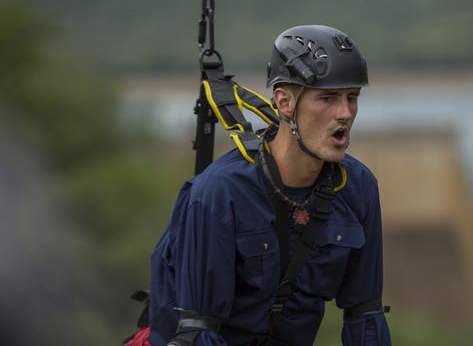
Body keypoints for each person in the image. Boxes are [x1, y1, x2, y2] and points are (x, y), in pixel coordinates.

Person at [146, 25, 392, 346]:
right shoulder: (220, 193)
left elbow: (365, 316)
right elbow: (197, 333)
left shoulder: (358, 188)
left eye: (352, 98)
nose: (345, 113)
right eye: (328, 98)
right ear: (284, 102)